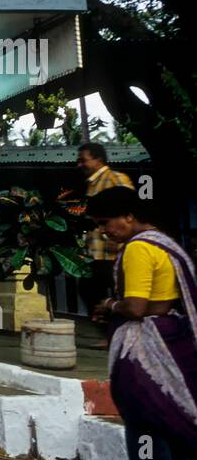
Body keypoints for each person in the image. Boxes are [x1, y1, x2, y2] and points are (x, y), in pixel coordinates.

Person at [88, 186, 197, 460]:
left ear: (129, 217)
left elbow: (136, 307)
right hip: (174, 347)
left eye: (107, 223)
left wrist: (109, 304)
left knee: (147, 439)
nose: (104, 232)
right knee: (181, 432)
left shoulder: (137, 249)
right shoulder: (167, 245)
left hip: (146, 356)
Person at [78, 142, 135, 345]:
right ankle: (109, 334)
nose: (80, 164)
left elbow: (129, 207)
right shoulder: (92, 183)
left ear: (98, 159)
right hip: (96, 252)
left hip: (114, 251)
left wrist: (121, 242)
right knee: (90, 289)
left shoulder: (115, 178)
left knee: (119, 293)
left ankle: (117, 335)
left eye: (83, 159)